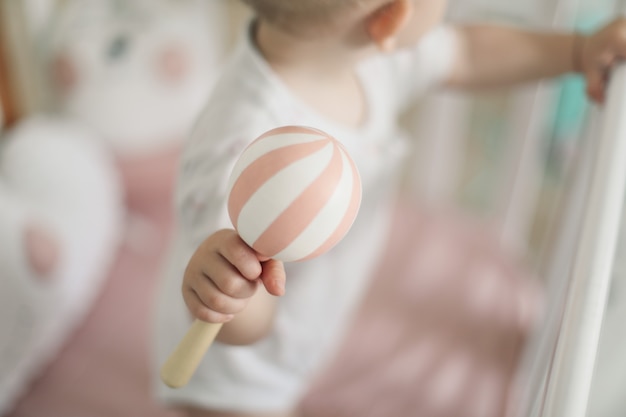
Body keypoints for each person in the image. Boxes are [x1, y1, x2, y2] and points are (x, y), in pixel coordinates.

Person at [152, 0, 626, 416]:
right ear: (390, 17)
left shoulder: (372, 56)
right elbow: (235, 324)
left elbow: (466, 51)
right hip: (238, 372)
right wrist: (231, 293)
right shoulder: (242, 145)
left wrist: (576, 51)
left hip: (305, 320)